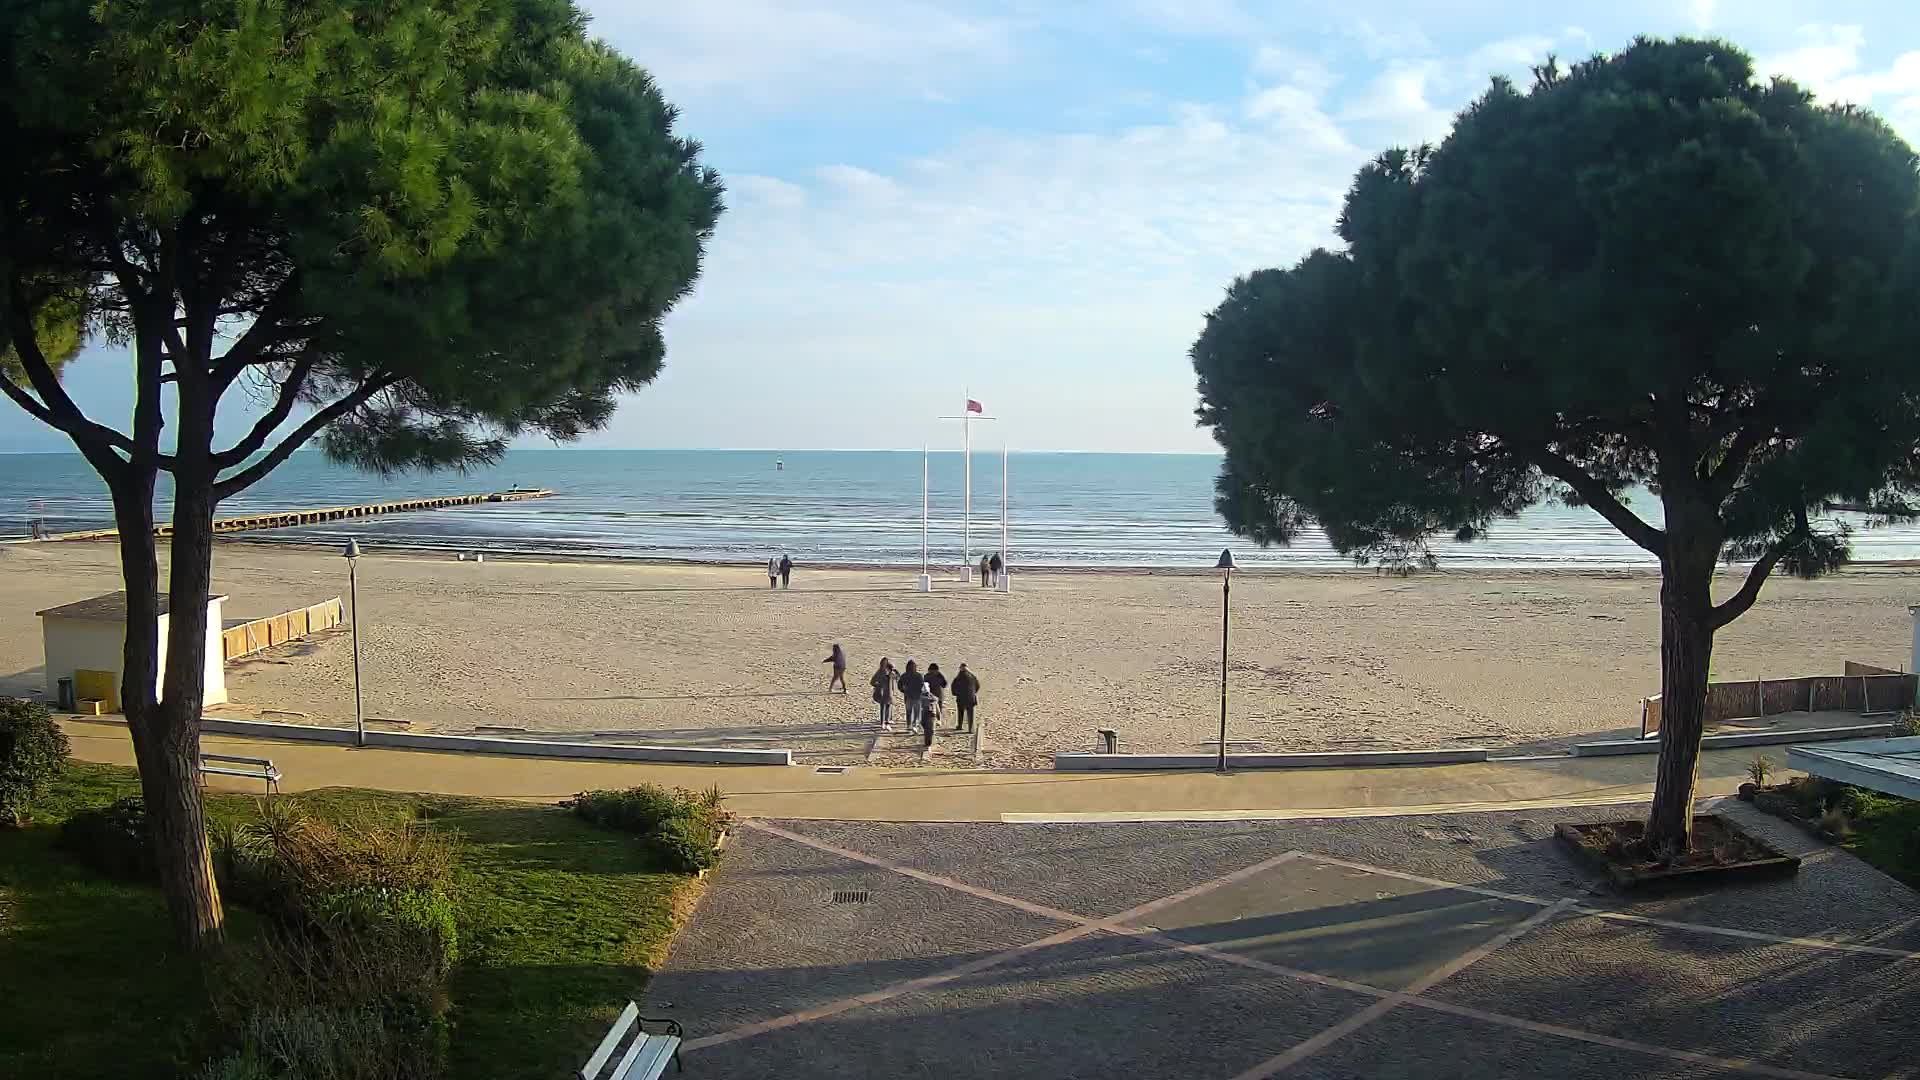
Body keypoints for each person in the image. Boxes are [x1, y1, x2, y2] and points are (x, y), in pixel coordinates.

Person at [898, 660, 926, 736]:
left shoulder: (904, 675)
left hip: (908, 696)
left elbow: (899, 685)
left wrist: (904, 690)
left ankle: (909, 725)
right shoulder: (918, 675)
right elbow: (922, 686)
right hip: (916, 697)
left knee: (909, 712)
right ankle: (914, 725)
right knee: (916, 712)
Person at [951, 663, 979, 733]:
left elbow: (953, 686)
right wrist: (973, 692)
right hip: (971, 698)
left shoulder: (958, 677)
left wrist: (955, 694)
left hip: (961, 698)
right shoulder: (972, 676)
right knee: (971, 714)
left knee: (960, 712)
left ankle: (960, 726)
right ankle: (971, 729)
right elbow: (977, 685)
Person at [870, 658, 896, 730]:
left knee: (887, 707)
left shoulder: (890, 672)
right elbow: (872, 682)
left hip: (888, 693)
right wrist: (878, 686)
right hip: (882, 693)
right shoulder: (879, 672)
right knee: (883, 708)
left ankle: (886, 722)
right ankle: (883, 723)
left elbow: (894, 680)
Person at [923, 662, 948, 728]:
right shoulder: (939, 675)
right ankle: (938, 721)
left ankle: (933, 721)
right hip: (938, 695)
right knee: (938, 708)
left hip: (931, 695)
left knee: (930, 708)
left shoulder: (927, 676)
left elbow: (924, 685)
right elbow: (945, 684)